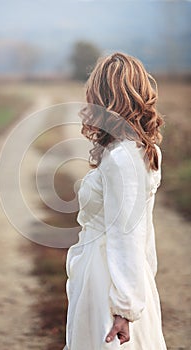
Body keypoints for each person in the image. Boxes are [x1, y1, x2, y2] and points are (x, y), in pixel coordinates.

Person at [63, 52, 167, 349]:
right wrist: (142, 282)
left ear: (105, 97)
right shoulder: (136, 150)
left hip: (107, 278)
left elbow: (129, 233)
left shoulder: (124, 158)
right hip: (113, 274)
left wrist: (123, 308)